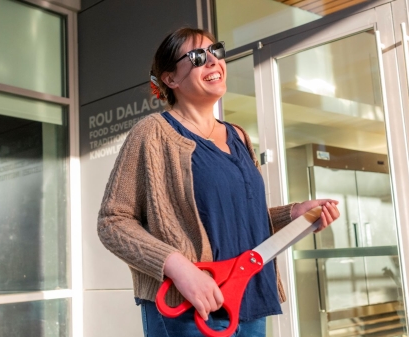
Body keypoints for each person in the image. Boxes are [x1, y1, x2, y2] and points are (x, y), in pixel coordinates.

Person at [98, 27, 340, 337]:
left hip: (249, 297)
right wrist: (178, 267)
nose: (214, 61)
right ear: (171, 79)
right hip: (190, 306)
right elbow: (112, 222)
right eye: (198, 57)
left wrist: (294, 215)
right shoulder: (153, 133)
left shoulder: (238, 135)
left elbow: (237, 219)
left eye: (217, 52)